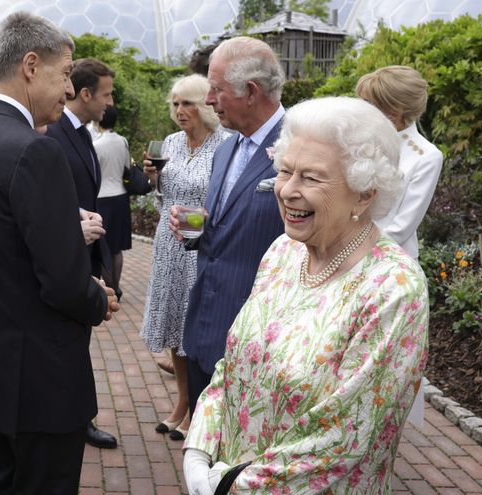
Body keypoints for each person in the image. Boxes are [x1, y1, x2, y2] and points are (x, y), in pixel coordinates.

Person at [182, 96, 427, 494]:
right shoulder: (283, 252)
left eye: (311, 178)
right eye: (285, 172)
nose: (287, 191)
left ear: (364, 193)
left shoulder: (394, 288)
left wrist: (229, 484)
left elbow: (345, 436)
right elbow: (232, 366)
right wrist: (199, 449)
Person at [0, 11, 119, 493]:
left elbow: (1, 244)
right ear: (30, 65)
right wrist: (99, 299)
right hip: (41, 379)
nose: (67, 89)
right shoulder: (33, 150)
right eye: (64, 74)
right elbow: (62, 282)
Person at [173, 37, 286, 416]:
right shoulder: (225, 148)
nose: (208, 99)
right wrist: (197, 228)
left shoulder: (299, 147)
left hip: (260, 342)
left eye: (217, 89)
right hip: (205, 329)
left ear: (251, 92)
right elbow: (228, 230)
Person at [139, 74, 228, 441]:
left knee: (196, 328)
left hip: (202, 247)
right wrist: (155, 180)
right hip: (168, 244)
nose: (179, 111)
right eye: (175, 104)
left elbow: (221, 202)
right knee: (175, 328)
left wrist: (194, 222)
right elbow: (163, 200)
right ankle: (182, 402)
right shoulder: (172, 143)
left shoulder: (224, 145)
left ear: (205, 105)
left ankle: (198, 408)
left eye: (187, 103)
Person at [46, 57, 119, 450]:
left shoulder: (82, 133)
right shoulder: (53, 132)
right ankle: (74, 419)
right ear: (86, 93)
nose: (109, 102)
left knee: (78, 343)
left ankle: (77, 416)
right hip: (67, 252)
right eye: (106, 93)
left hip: (86, 250)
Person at [355, 65, 443, 259]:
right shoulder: (357, 138)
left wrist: (353, 251)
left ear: (393, 112)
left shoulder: (426, 156)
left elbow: (402, 227)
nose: (361, 109)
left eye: (368, 103)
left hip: (387, 261)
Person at [94, 106, 137, 300]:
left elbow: (94, 173)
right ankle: (116, 287)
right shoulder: (123, 141)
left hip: (102, 198)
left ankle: (110, 288)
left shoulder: (96, 144)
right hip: (120, 197)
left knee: (103, 247)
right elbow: (127, 167)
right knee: (117, 247)